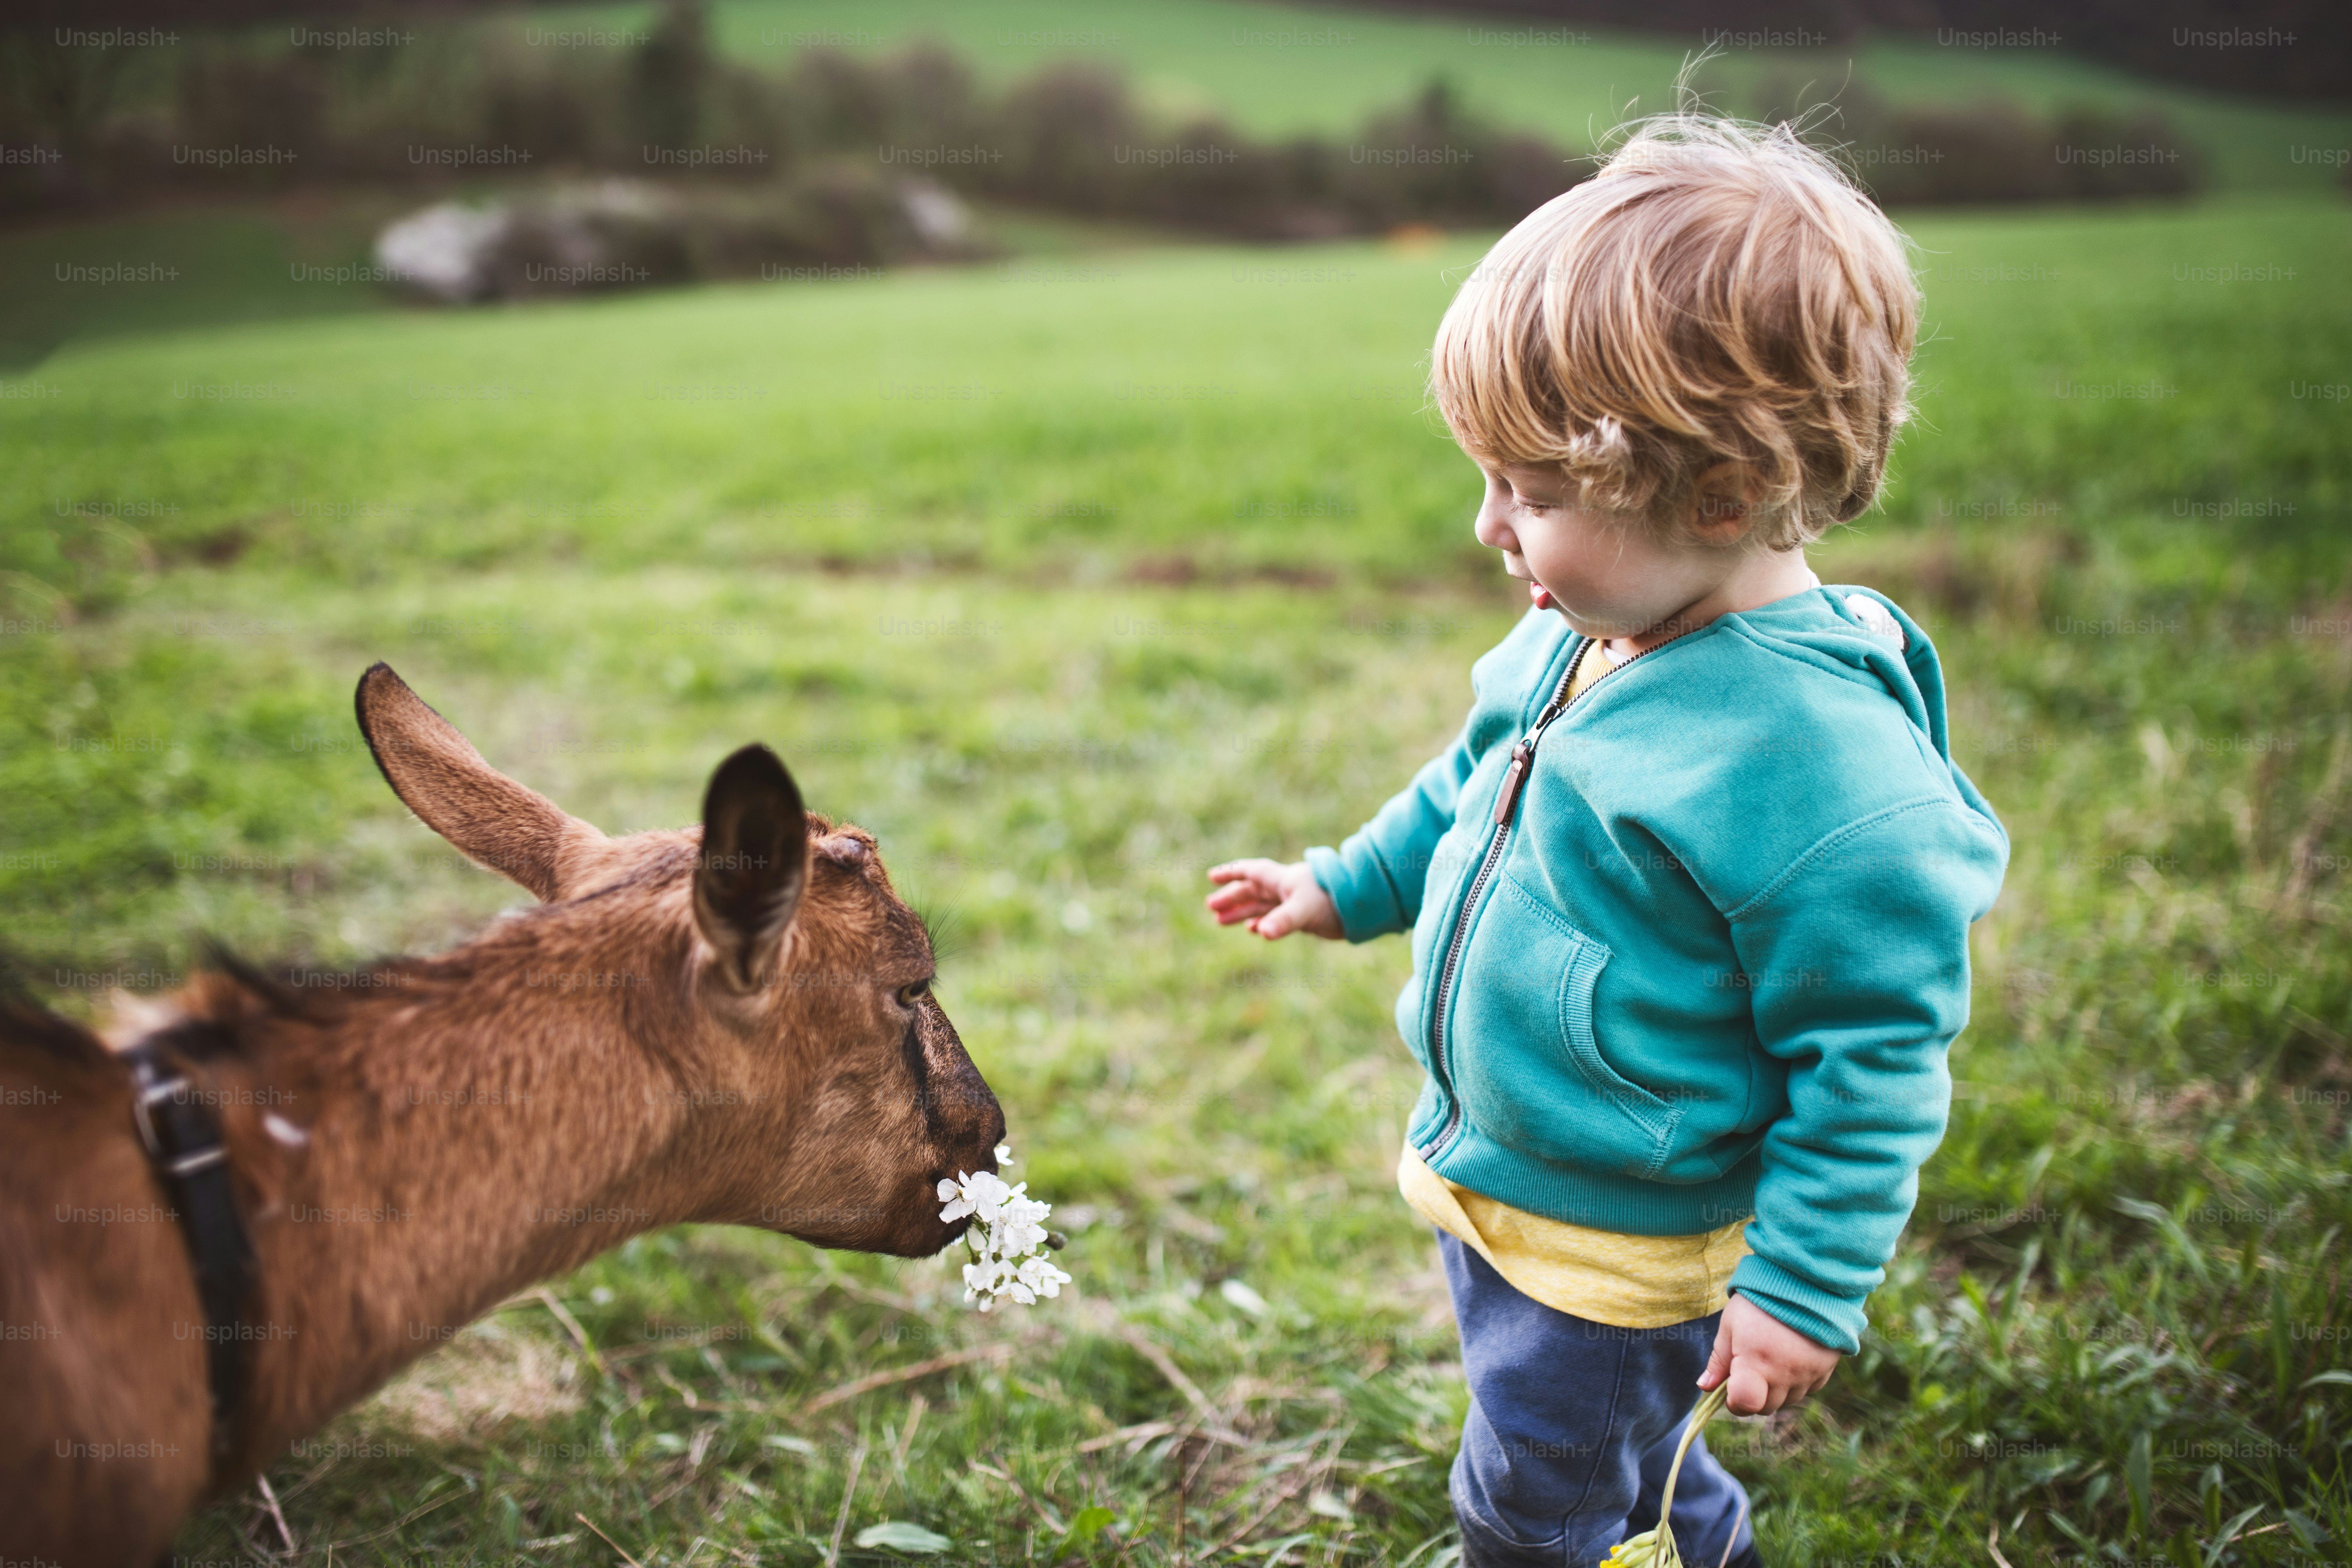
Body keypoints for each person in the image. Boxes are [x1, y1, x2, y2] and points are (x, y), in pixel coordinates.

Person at [1206, 112, 2009, 1568]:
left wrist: (1805, 1290)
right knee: (1623, 1462)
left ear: (1721, 493)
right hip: (1510, 1182)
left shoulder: (1819, 770)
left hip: (1627, 1249)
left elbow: (1877, 1054)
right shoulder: (1584, 632)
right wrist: (1343, 883)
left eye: (1535, 494)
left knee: (1532, 1499)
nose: (1488, 527)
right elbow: (1471, 784)